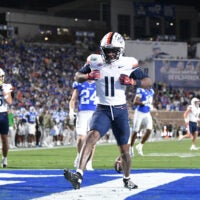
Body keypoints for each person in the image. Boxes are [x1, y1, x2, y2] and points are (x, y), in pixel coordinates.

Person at [64, 32, 152, 190]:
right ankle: (78, 175)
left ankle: (127, 178)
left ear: (121, 50)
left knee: (125, 150)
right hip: (102, 109)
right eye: (107, 50)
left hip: (120, 110)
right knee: (91, 137)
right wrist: (88, 76)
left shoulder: (128, 62)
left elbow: (148, 81)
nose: (110, 53)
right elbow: (77, 76)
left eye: (113, 50)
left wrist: (133, 81)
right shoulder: (95, 60)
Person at [69, 80, 96, 171]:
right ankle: (79, 155)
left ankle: (89, 162)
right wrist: (71, 111)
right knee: (81, 137)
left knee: (92, 140)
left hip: (95, 113)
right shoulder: (80, 83)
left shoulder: (99, 83)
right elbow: (73, 99)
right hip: (82, 113)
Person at [129, 87, 154, 157]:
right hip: (139, 113)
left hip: (147, 113)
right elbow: (135, 102)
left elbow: (150, 101)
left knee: (149, 130)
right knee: (135, 131)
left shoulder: (151, 91)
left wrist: (150, 105)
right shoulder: (140, 90)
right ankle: (130, 147)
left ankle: (140, 146)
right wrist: (143, 103)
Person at [0, 68, 13, 168]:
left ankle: (4, 158)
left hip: (3, 114)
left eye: (1, 76)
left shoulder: (7, 86)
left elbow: (9, 102)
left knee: (4, 138)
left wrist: (4, 93)